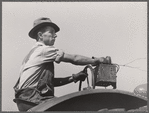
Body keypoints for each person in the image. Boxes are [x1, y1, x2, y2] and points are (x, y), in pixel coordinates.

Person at [13, 17, 111, 111]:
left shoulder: (31, 54)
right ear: (40, 35)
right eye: (51, 32)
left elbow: (48, 83)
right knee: (82, 107)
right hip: (34, 99)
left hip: (25, 102)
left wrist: (73, 78)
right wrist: (96, 60)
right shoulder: (44, 50)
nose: (55, 35)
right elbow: (75, 59)